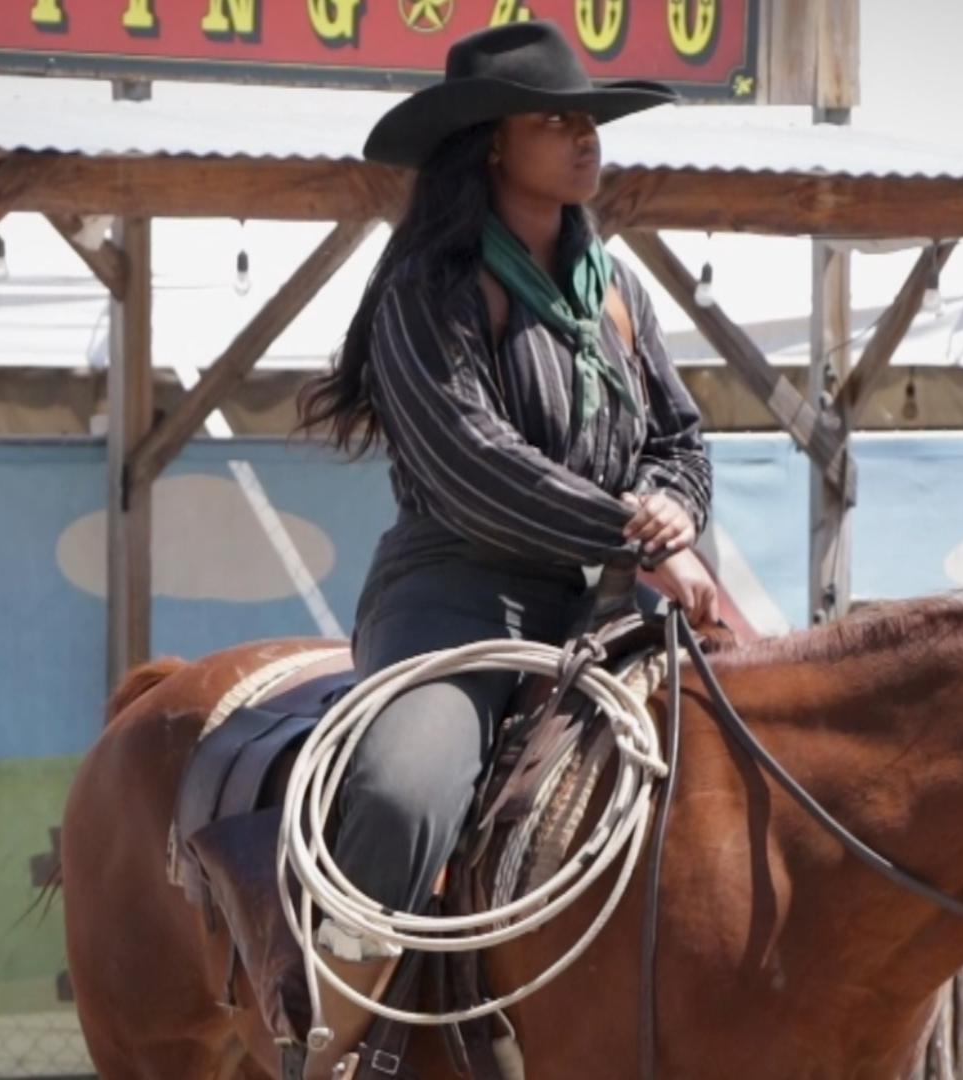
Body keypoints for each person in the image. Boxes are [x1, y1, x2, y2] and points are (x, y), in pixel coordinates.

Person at [295, 21, 718, 1071]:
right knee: (407, 789)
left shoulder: (613, 288)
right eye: (556, 120)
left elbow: (680, 435)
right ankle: (333, 1041)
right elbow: (472, 469)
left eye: (590, 119)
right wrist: (631, 528)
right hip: (460, 607)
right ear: (491, 144)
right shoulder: (424, 292)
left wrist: (670, 507)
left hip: (613, 612)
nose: (586, 138)